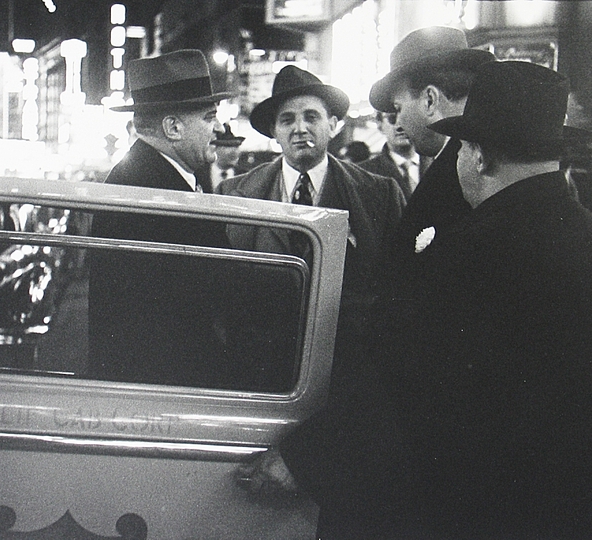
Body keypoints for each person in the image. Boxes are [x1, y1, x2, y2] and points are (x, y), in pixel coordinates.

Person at [242, 61, 592, 539]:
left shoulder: (481, 245)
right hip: (543, 499)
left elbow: (413, 385)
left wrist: (302, 460)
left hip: (460, 503)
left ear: (477, 155)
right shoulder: (587, 231)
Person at [216, 64, 406, 401]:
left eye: (311, 117)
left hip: (348, 380)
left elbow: (396, 292)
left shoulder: (379, 194)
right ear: (274, 132)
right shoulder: (235, 194)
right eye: (287, 120)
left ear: (333, 125)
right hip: (262, 376)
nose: (300, 128)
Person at [88, 49, 233, 384]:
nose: (219, 128)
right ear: (173, 127)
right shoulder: (148, 190)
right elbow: (189, 303)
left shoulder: (156, 176)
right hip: (162, 388)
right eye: (209, 117)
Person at [368, 26, 494, 278]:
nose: (399, 122)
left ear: (429, 100)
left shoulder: (463, 173)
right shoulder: (489, 158)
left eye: (398, 107)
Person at [360, 111, 422, 200]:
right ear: (380, 126)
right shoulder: (364, 174)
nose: (400, 126)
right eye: (391, 118)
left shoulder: (439, 167)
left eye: (407, 117)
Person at [207, 122, 245, 190]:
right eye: (228, 146)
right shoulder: (199, 175)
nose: (235, 152)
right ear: (215, 149)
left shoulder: (246, 176)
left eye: (236, 147)